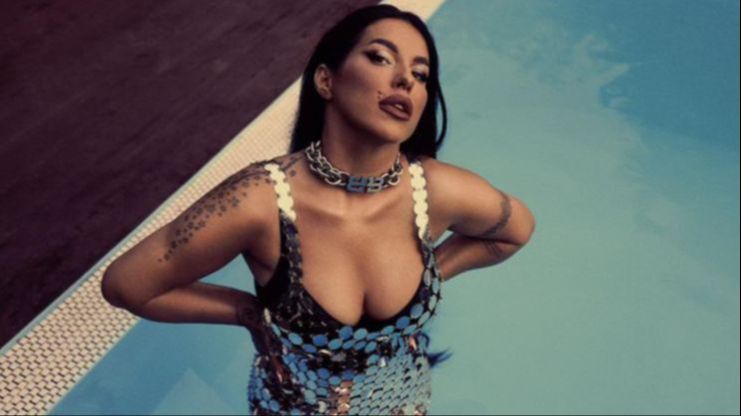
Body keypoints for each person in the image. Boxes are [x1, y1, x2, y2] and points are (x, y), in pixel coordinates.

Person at [101, 5, 536, 415]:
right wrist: (248, 313)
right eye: (381, 58)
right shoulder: (260, 201)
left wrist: (432, 273)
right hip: (292, 403)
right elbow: (127, 286)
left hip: (399, 398)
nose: (405, 79)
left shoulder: (436, 190)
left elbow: (515, 230)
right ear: (326, 81)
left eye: (421, 75)